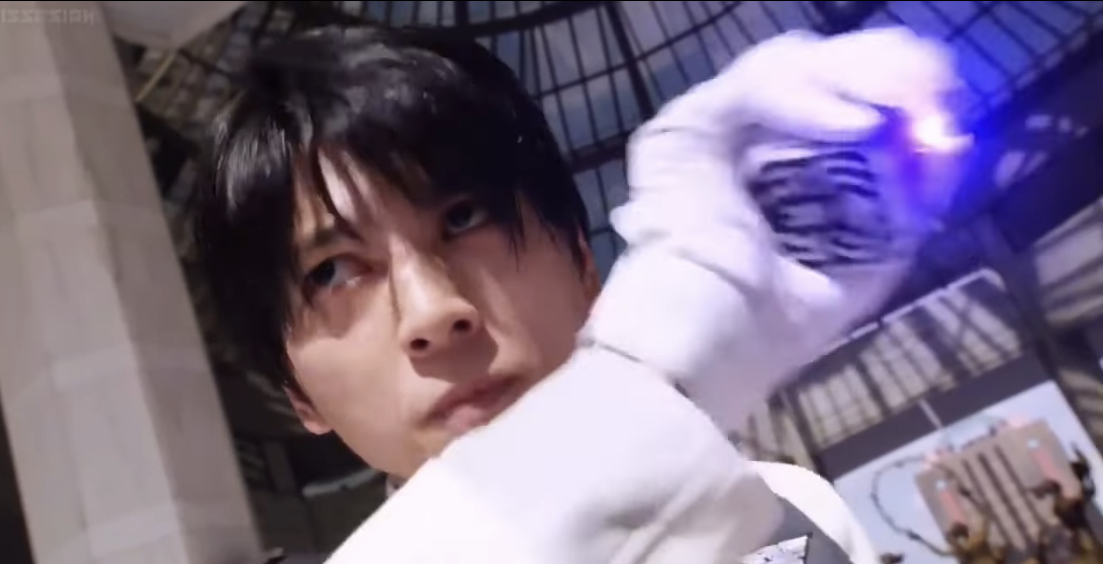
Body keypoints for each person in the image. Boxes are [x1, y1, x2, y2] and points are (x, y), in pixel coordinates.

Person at [195, 23, 961, 563]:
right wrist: (665, 351)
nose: (433, 313)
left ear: (584, 266)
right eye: (332, 272)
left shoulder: (798, 515)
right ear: (296, 392)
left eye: (463, 218)